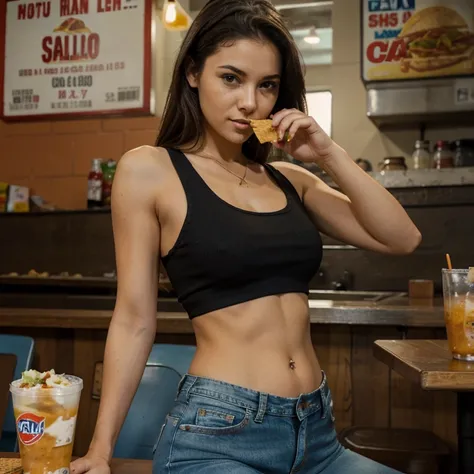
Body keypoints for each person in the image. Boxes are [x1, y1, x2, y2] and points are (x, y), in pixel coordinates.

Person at [71, 1, 421, 473]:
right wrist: (99, 450)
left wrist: (330, 154)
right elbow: (134, 319)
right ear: (193, 73)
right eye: (231, 78)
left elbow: (402, 238)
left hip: (316, 434)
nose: (251, 102)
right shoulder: (150, 170)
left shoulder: (289, 179)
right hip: (219, 433)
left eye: (267, 85)